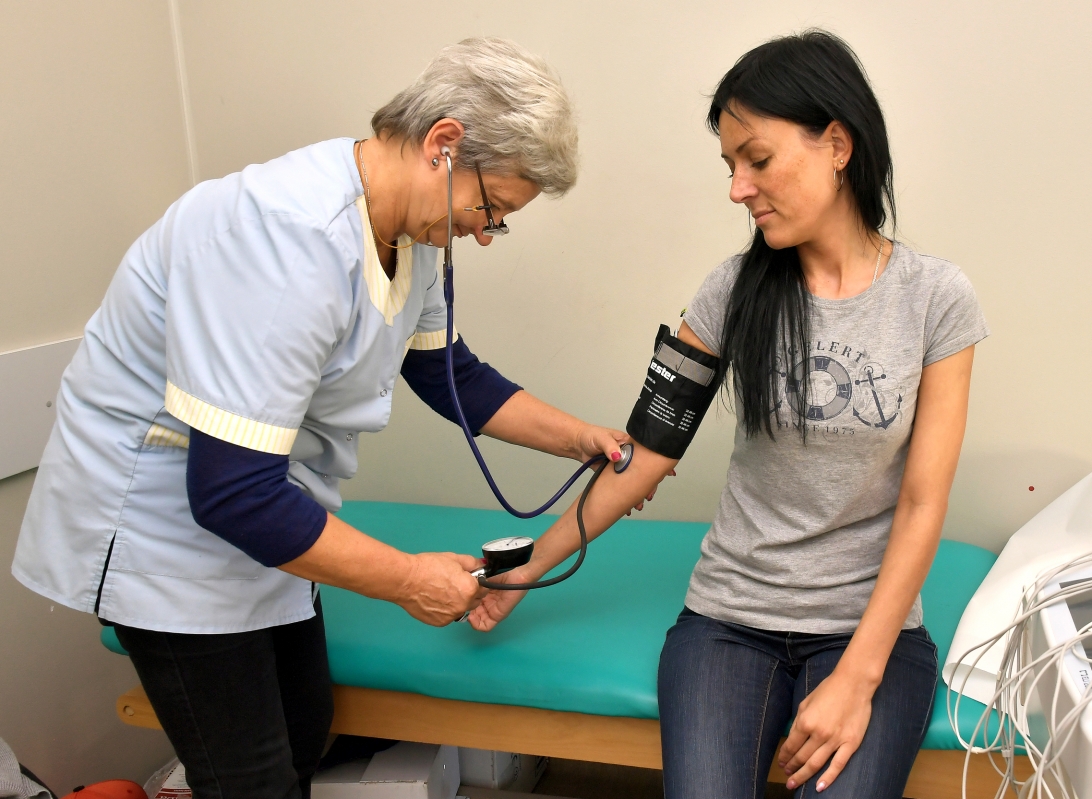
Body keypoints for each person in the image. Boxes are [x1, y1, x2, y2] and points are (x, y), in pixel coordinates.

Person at [11, 38, 645, 799]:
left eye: (499, 221)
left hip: (264, 503)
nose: (484, 232)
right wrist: (409, 580)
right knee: (252, 781)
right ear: (443, 145)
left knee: (306, 728)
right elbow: (229, 492)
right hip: (165, 522)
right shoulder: (286, 238)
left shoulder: (408, 232)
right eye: (491, 208)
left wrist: (581, 438)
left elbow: (449, 375)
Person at [470, 31, 989, 799]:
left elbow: (922, 502)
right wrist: (527, 570)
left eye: (758, 159)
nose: (738, 189)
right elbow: (646, 452)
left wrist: (857, 679)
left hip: (867, 630)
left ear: (837, 144)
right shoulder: (729, 292)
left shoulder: (936, 300)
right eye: (729, 166)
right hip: (729, 620)